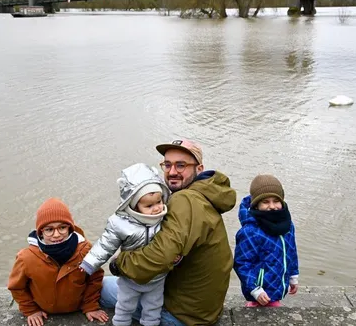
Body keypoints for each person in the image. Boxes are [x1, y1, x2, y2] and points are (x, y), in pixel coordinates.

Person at [103, 139, 237, 326]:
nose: (172, 172)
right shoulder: (205, 194)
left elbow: (161, 255)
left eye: (181, 165)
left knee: (101, 287)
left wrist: (120, 263)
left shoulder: (185, 200)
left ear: (199, 168)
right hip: (203, 309)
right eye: (167, 164)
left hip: (182, 316)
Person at [79, 163, 177, 326]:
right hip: (129, 278)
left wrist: (176, 257)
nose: (156, 208)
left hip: (157, 278)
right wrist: (90, 263)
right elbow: (105, 245)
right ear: (133, 204)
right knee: (125, 306)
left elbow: (174, 242)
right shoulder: (121, 224)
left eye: (159, 201)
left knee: (153, 308)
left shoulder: (165, 219)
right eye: (149, 205)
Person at [7, 198, 109, 326]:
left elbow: (94, 279)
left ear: (70, 229)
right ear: (41, 232)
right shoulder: (26, 258)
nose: (56, 235)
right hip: (43, 310)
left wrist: (90, 306)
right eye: (49, 229)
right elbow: (17, 287)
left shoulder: (85, 250)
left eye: (62, 227)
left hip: (77, 308)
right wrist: (31, 310)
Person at [233, 174, 299, 308]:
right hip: (260, 289)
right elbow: (242, 263)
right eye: (266, 202)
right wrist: (255, 289)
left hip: (278, 284)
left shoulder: (287, 225)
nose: (272, 206)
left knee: (274, 306)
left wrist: (293, 276)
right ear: (256, 205)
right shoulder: (250, 231)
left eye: (276, 201)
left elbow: (291, 252)